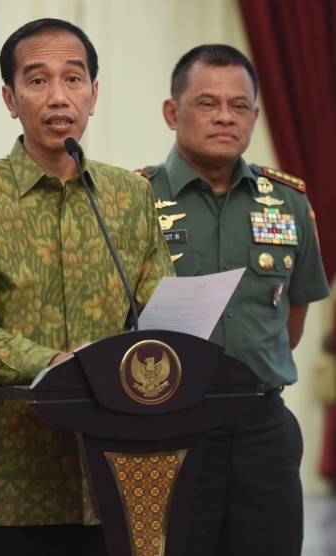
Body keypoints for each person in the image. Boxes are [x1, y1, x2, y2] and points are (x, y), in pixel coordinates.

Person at [0, 18, 174, 556]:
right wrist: (58, 362)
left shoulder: (130, 195)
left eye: (74, 78)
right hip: (7, 477)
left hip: (118, 468)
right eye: (37, 80)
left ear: (94, 94)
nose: (58, 95)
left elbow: (161, 312)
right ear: (10, 98)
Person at [138, 45, 330, 555]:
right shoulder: (131, 201)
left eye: (239, 105)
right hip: (166, 431)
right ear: (171, 113)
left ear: (255, 116)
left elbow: (292, 320)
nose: (225, 116)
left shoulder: (288, 202)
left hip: (263, 431)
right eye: (207, 103)